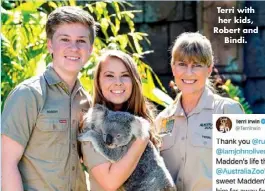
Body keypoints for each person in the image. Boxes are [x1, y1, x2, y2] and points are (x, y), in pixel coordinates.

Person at [1, 6, 96, 191]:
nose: (74, 48)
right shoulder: (28, 95)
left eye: (81, 40)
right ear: (50, 45)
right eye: (65, 39)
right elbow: (5, 164)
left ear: (90, 48)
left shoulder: (87, 102)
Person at [155, 32, 244, 191]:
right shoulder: (161, 120)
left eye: (196, 65)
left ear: (209, 69)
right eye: (182, 64)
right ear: (173, 67)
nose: (188, 72)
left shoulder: (228, 111)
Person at [80, 50, 160, 191]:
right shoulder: (93, 125)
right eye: (109, 75)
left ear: (134, 80)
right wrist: (141, 140)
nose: (118, 83)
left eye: (125, 75)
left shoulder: (145, 119)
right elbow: (110, 182)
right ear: (98, 81)